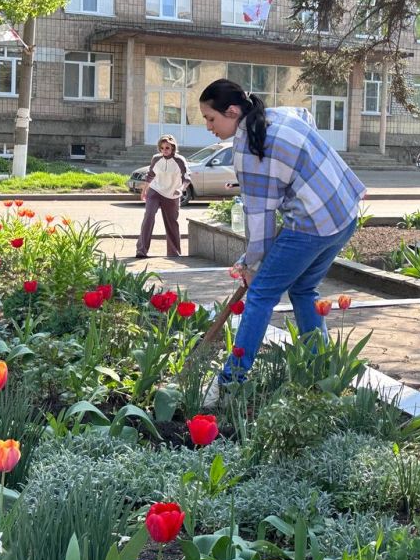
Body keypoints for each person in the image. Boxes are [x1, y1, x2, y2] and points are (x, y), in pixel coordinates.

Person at [198, 78, 365, 382]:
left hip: (312, 224)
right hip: (345, 211)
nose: (209, 126)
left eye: (211, 118)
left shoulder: (250, 150)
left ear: (233, 111)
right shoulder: (276, 115)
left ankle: (232, 379)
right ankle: (320, 367)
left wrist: (251, 265)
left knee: (261, 293)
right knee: (302, 289)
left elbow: (260, 216)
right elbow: (306, 116)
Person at [136, 134, 190, 259]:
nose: (164, 150)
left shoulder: (180, 160)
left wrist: (180, 189)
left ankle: (174, 253)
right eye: (162, 148)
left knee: (172, 223)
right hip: (155, 191)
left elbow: (187, 177)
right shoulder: (156, 159)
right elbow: (150, 174)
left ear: (173, 148)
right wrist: (144, 190)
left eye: (167, 148)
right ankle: (141, 251)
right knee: (148, 216)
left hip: (172, 195)